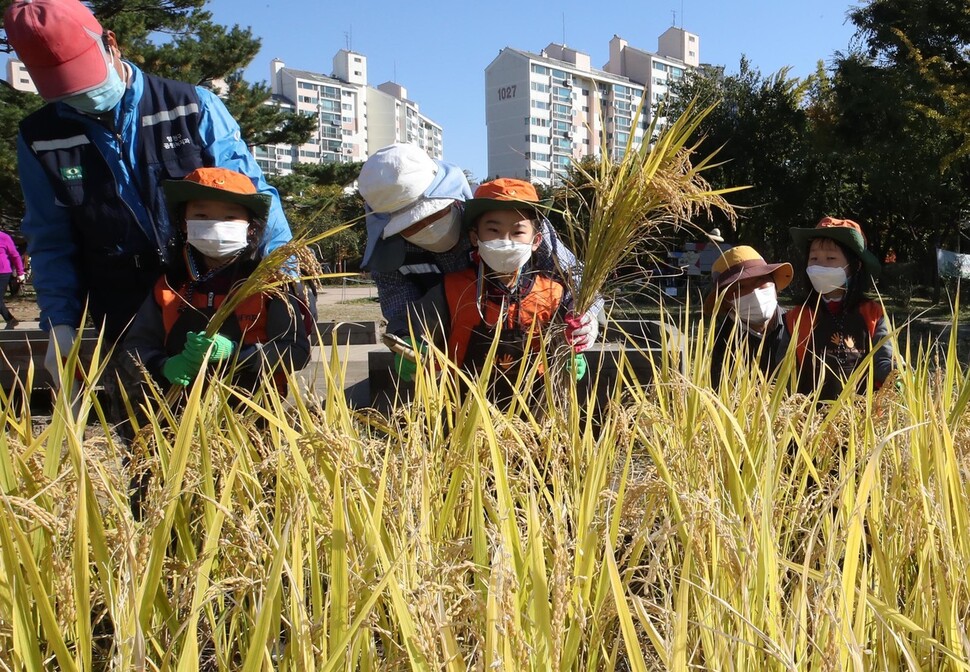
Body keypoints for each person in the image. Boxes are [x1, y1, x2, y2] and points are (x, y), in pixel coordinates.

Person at [4, 0, 291, 386]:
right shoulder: (42, 139)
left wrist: (285, 282)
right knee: (142, 423)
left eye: (85, 81)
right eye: (65, 91)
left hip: (215, 291)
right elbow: (51, 238)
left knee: (234, 414)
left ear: (111, 44)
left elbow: (255, 200)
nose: (81, 98)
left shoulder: (190, 107)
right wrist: (60, 324)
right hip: (122, 306)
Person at [357, 143, 601, 349]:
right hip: (452, 362)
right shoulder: (387, 255)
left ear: (449, 197)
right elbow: (401, 310)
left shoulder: (506, 219)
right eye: (412, 226)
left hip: (528, 349)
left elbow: (575, 278)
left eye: (436, 214)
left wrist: (585, 316)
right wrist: (407, 344)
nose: (429, 227)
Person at [121, 167, 311, 396]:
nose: (215, 224)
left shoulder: (270, 284)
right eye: (201, 216)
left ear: (251, 227)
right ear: (183, 223)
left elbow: (297, 352)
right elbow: (133, 349)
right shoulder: (168, 286)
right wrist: (162, 365)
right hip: (177, 420)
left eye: (230, 217)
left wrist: (236, 353)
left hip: (254, 417)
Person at [404, 178, 587, 404]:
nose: (505, 241)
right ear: (474, 237)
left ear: (536, 240)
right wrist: (409, 351)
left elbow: (566, 343)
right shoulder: (450, 290)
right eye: (493, 230)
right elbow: (414, 333)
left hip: (533, 418)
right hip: (461, 413)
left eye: (518, 232)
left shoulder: (553, 294)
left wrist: (572, 360)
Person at [780, 217, 893, 399]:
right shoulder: (796, 317)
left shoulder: (873, 314)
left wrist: (897, 374)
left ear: (855, 266)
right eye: (814, 258)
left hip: (864, 419)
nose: (820, 265)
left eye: (831, 258)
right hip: (808, 419)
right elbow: (783, 373)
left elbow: (883, 361)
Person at [703, 246, 792, 387]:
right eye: (740, 288)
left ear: (774, 283)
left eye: (760, 281)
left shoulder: (799, 326)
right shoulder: (718, 342)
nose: (754, 292)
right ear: (725, 300)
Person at [0, 230, 26, 328]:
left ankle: (10, 320)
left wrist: (20, 272)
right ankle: (10, 320)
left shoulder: (4, 237)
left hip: (2, 273)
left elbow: (15, 255)